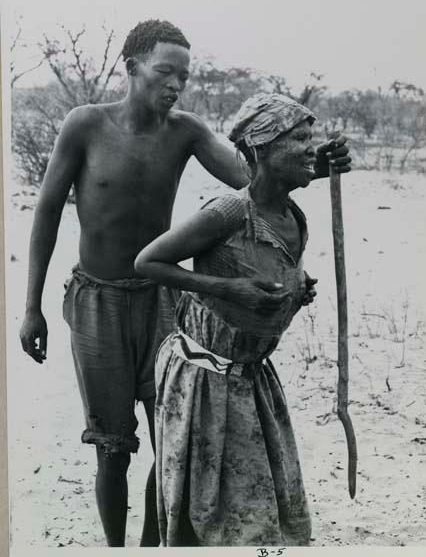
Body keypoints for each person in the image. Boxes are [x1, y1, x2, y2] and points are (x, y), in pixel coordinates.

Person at [19, 20, 350, 547]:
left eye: (184, 76)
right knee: (111, 445)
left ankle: (156, 544)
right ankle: (115, 547)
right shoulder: (85, 125)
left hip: (163, 299)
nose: (175, 85)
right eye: (164, 72)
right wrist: (31, 307)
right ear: (131, 68)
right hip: (96, 301)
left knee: (170, 436)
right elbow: (47, 213)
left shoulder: (186, 131)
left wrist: (313, 162)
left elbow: (255, 180)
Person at [135, 93, 342, 547]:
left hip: (252, 380)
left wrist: (295, 289)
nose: (313, 149)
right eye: (300, 139)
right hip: (202, 382)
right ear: (261, 149)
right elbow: (148, 262)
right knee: (203, 507)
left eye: (313, 137)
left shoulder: (291, 216)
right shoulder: (229, 211)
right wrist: (228, 289)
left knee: (254, 504)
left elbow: (263, 264)